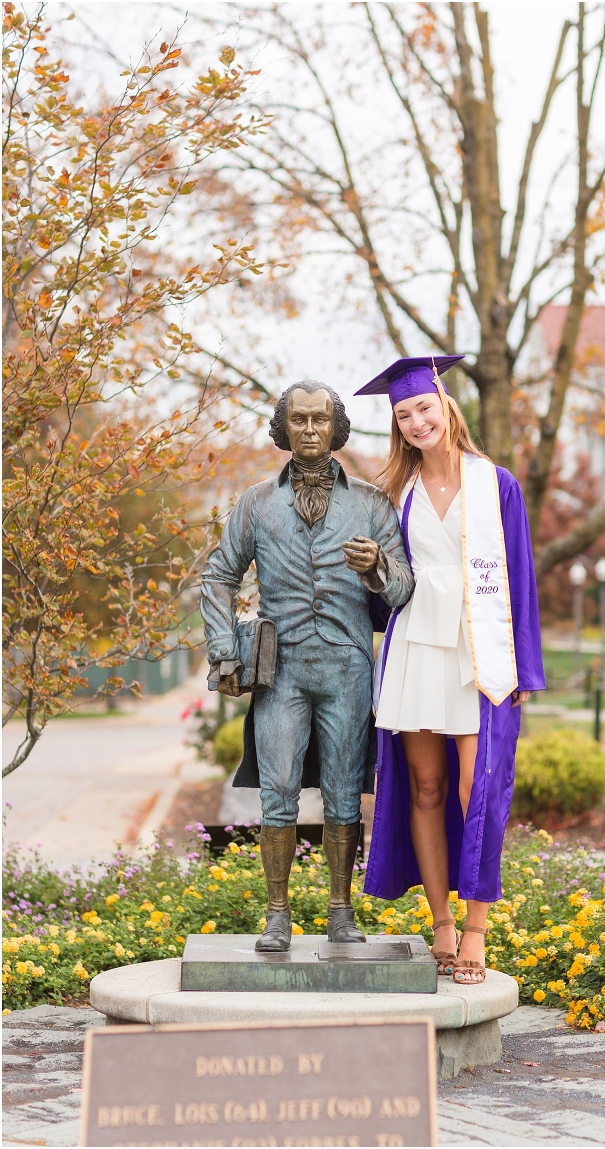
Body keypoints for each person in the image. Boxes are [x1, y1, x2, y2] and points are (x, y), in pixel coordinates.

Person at [201, 380, 414, 952]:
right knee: (278, 793)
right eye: (300, 420)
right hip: (283, 669)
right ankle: (277, 915)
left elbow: (402, 590)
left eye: (322, 419)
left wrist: (376, 569)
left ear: (337, 427)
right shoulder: (257, 503)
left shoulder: (371, 503)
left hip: (346, 667)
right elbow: (220, 574)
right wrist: (224, 649)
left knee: (346, 794)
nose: (312, 429)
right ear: (284, 428)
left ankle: (341, 912)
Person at [355, 356, 545, 984]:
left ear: (446, 406)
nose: (416, 421)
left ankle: (476, 929)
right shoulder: (395, 494)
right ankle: (439, 922)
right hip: (415, 649)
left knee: (476, 790)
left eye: (424, 408)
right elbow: (388, 588)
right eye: (403, 414)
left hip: (478, 651)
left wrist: (524, 669)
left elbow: (520, 576)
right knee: (426, 789)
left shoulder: (497, 484)